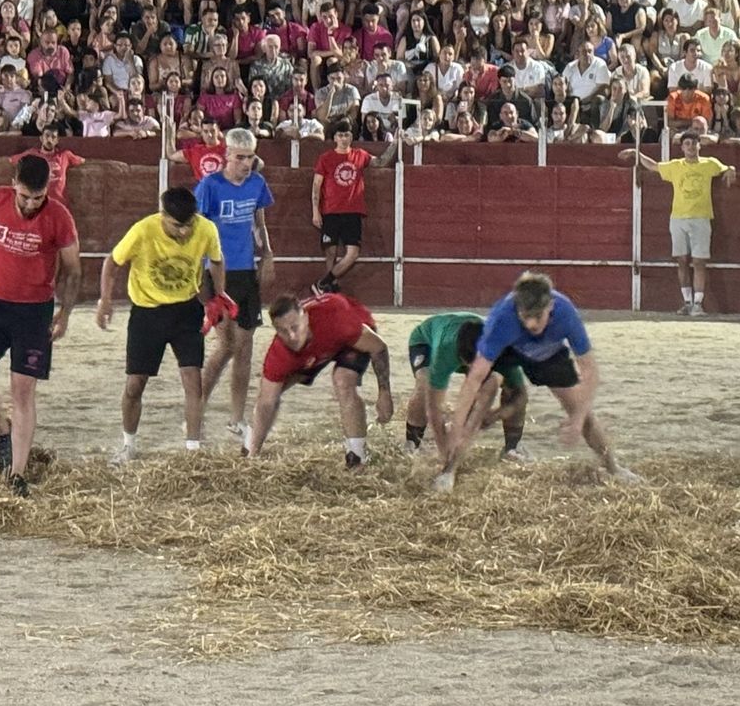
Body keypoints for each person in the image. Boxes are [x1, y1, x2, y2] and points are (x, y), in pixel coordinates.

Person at [0, 155, 82, 497]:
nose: (31, 204)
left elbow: (73, 269)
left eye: (38, 197)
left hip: (35, 312)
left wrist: (64, 313)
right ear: (14, 185)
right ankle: (3, 428)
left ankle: (17, 475)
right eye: (25, 196)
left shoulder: (59, 217)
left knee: (23, 391)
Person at [438, 271, 638, 493]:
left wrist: (578, 419)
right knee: (483, 397)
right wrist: (456, 427)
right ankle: (449, 471)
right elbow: (474, 377)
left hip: (547, 354)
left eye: (537, 316)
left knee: (582, 411)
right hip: (509, 350)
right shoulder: (502, 317)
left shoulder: (565, 312)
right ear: (517, 309)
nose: (532, 324)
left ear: (550, 306)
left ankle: (614, 468)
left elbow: (590, 370)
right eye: (525, 316)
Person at [95, 187, 226, 462]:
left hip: (186, 310)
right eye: (178, 226)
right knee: (135, 384)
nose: (184, 232)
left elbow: (217, 261)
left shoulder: (206, 228)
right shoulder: (143, 230)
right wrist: (105, 300)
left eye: (189, 225)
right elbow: (112, 262)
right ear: (163, 215)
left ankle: (193, 450)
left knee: (193, 382)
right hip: (147, 312)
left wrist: (219, 297)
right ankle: (128, 445)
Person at [246, 292, 394, 467]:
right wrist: (252, 456)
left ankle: (356, 456)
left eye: (295, 327)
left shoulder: (337, 318)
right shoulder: (279, 353)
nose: (292, 337)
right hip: (317, 350)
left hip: (350, 338)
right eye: (283, 331)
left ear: (306, 318)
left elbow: (378, 347)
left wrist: (384, 393)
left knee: (342, 379)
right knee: (272, 392)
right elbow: (266, 402)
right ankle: (251, 444)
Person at [195, 129, 275, 440]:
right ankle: (196, 410)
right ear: (226, 155)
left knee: (244, 347)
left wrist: (266, 253)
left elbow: (259, 221)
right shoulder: (209, 186)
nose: (245, 163)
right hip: (216, 271)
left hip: (245, 270)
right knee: (225, 345)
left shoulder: (257, 183)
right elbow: (197, 230)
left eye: (249, 157)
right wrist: (200, 278)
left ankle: (237, 418)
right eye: (239, 157)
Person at [620, 131, 736, 315]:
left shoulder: (709, 163)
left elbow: (726, 168)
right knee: (682, 261)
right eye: (687, 144)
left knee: (699, 262)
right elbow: (654, 166)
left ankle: (697, 304)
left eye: (694, 143)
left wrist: (731, 168)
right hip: (678, 218)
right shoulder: (676, 166)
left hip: (701, 217)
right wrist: (637, 154)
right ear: (682, 148)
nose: (690, 147)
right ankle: (687, 302)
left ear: (699, 145)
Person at [402, 311, 529, 462]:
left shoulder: (503, 351)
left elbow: (521, 395)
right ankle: (412, 443)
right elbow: (433, 405)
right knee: (424, 383)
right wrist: (444, 450)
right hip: (425, 340)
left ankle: (512, 447)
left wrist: (496, 415)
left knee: (510, 388)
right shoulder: (445, 350)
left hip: (469, 344)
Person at [311, 120, 399, 293]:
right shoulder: (326, 158)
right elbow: (316, 186)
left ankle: (322, 283)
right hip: (331, 211)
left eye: (347, 135)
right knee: (331, 252)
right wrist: (316, 211)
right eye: (340, 135)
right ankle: (330, 288)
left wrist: (395, 142)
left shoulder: (360, 155)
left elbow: (381, 162)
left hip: (353, 211)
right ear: (335, 138)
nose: (344, 138)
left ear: (351, 136)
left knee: (352, 254)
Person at [10, 124, 84, 203]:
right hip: (37, 203)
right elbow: (12, 160)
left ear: (57, 140)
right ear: (41, 138)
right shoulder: (32, 154)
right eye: (47, 136)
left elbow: (83, 161)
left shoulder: (65, 155)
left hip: (59, 203)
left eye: (53, 137)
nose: (49, 139)